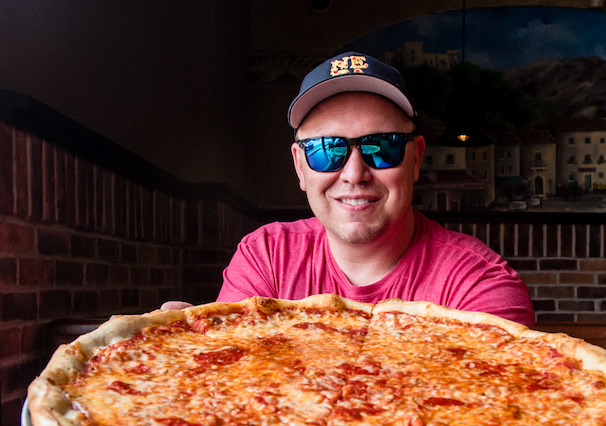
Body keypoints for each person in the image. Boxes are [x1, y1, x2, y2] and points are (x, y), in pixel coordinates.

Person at [163, 52, 535, 327]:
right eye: (327, 151)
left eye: (383, 146)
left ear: (416, 158)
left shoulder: (478, 284)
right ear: (300, 166)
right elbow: (234, 399)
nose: (355, 174)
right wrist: (198, 359)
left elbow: (486, 419)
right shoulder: (266, 258)